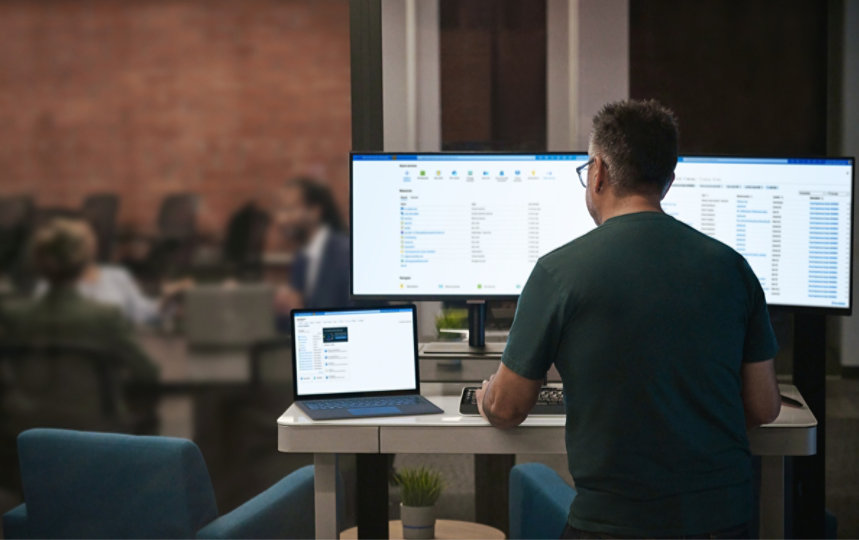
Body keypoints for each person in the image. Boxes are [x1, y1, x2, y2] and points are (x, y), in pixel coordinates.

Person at [475, 100, 781, 538]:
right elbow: (763, 407)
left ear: (597, 172)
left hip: (614, 526)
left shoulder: (559, 272)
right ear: (668, 182)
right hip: (723, 522)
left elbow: (507, 409)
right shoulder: (733, 268)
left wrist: (488, 397)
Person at [2, 218, 159, 383]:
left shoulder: (12, 318)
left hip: (28, 407)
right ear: (85, 261)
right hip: (94, 408)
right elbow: (148, 371)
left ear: (38, 259)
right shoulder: (106, 317)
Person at [32, 218, 191, 326]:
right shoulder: (50, 285)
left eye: (89, 239)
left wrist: (168, 301)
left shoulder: (116, 276)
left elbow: (144, 313)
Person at [274, 177, 351, 323]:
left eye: (290, 209)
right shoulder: (301, 259)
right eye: (282, 210)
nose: (282, 219)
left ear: (315, 211)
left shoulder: (346, 255)